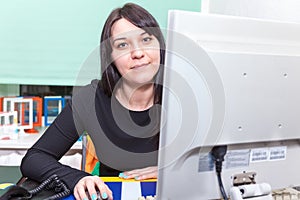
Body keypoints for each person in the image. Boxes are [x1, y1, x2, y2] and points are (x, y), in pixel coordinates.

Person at [20, 2, 165, 200]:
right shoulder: (90, 99)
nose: (138, 53)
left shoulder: (184, 97)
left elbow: (217, 159)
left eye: (146, 39)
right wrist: (76, 178)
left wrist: (173, 170)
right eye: (122, 45)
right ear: (110, 57)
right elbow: (34, 158)